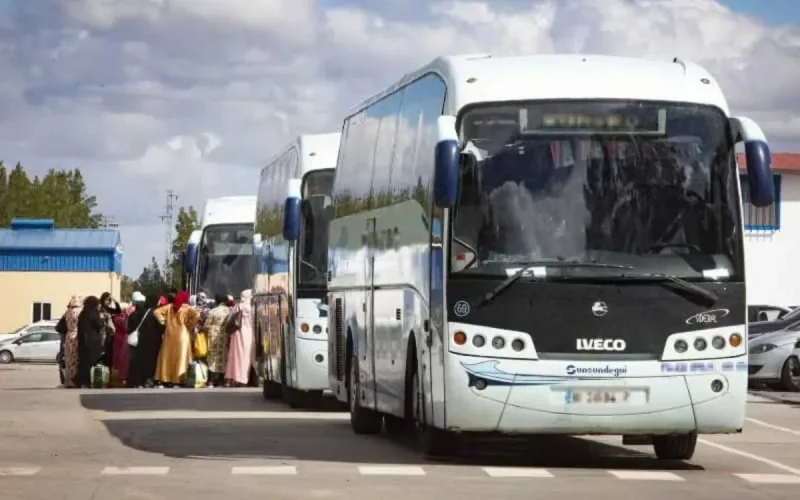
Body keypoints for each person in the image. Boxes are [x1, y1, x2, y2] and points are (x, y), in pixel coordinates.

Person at [153, 291, 200, 387]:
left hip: (169, 334)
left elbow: (156, 311)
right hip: (182, 335)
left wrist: (163, 321)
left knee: (167, 356)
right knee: (181, 357)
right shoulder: (187, 308)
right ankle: (178, 380)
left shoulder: (169, 307)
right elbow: (197, 315)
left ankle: (165, 378)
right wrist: (190, 325)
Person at [126, 294, 166, 388]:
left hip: (140, 341)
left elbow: (130, 325)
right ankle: (147, 380)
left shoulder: (138, 312)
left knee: (138, 361)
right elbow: (161, 327)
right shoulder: (156, 313)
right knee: (150, 361)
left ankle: (136, 381)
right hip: (153, 342)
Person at [224, 289, 254, 387]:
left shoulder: (238, 306)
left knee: (235, 356)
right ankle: (243, 379)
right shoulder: (252, 307)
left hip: (237, 334)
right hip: (249, 334)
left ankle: (232, 379)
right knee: (246, 357)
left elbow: (230, 319)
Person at [77, 296, 106, 388]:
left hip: (83, 341)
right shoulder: (94, 313)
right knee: (92, 362)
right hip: (93, 342)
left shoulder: (82, 313)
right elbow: (100, 325)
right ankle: (91, 381)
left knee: (83, 362)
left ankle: (82, 381)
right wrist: (101, 317)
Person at [203, 294, 231, 387]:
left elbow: (206, 325)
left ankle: (210, 381)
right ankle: (221, 381)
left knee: (212, 358)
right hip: (225, 337)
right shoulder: (229, 311)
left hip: (213, 337)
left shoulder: (213, 311)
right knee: (223, 358)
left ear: (217, 301)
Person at [59, 295, 82, 388]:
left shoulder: (67, 312)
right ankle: (74, 380)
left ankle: (68, 380)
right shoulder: (79, 312)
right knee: (75, 359)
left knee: (68, 359)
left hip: (68, 335)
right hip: (76, 335)